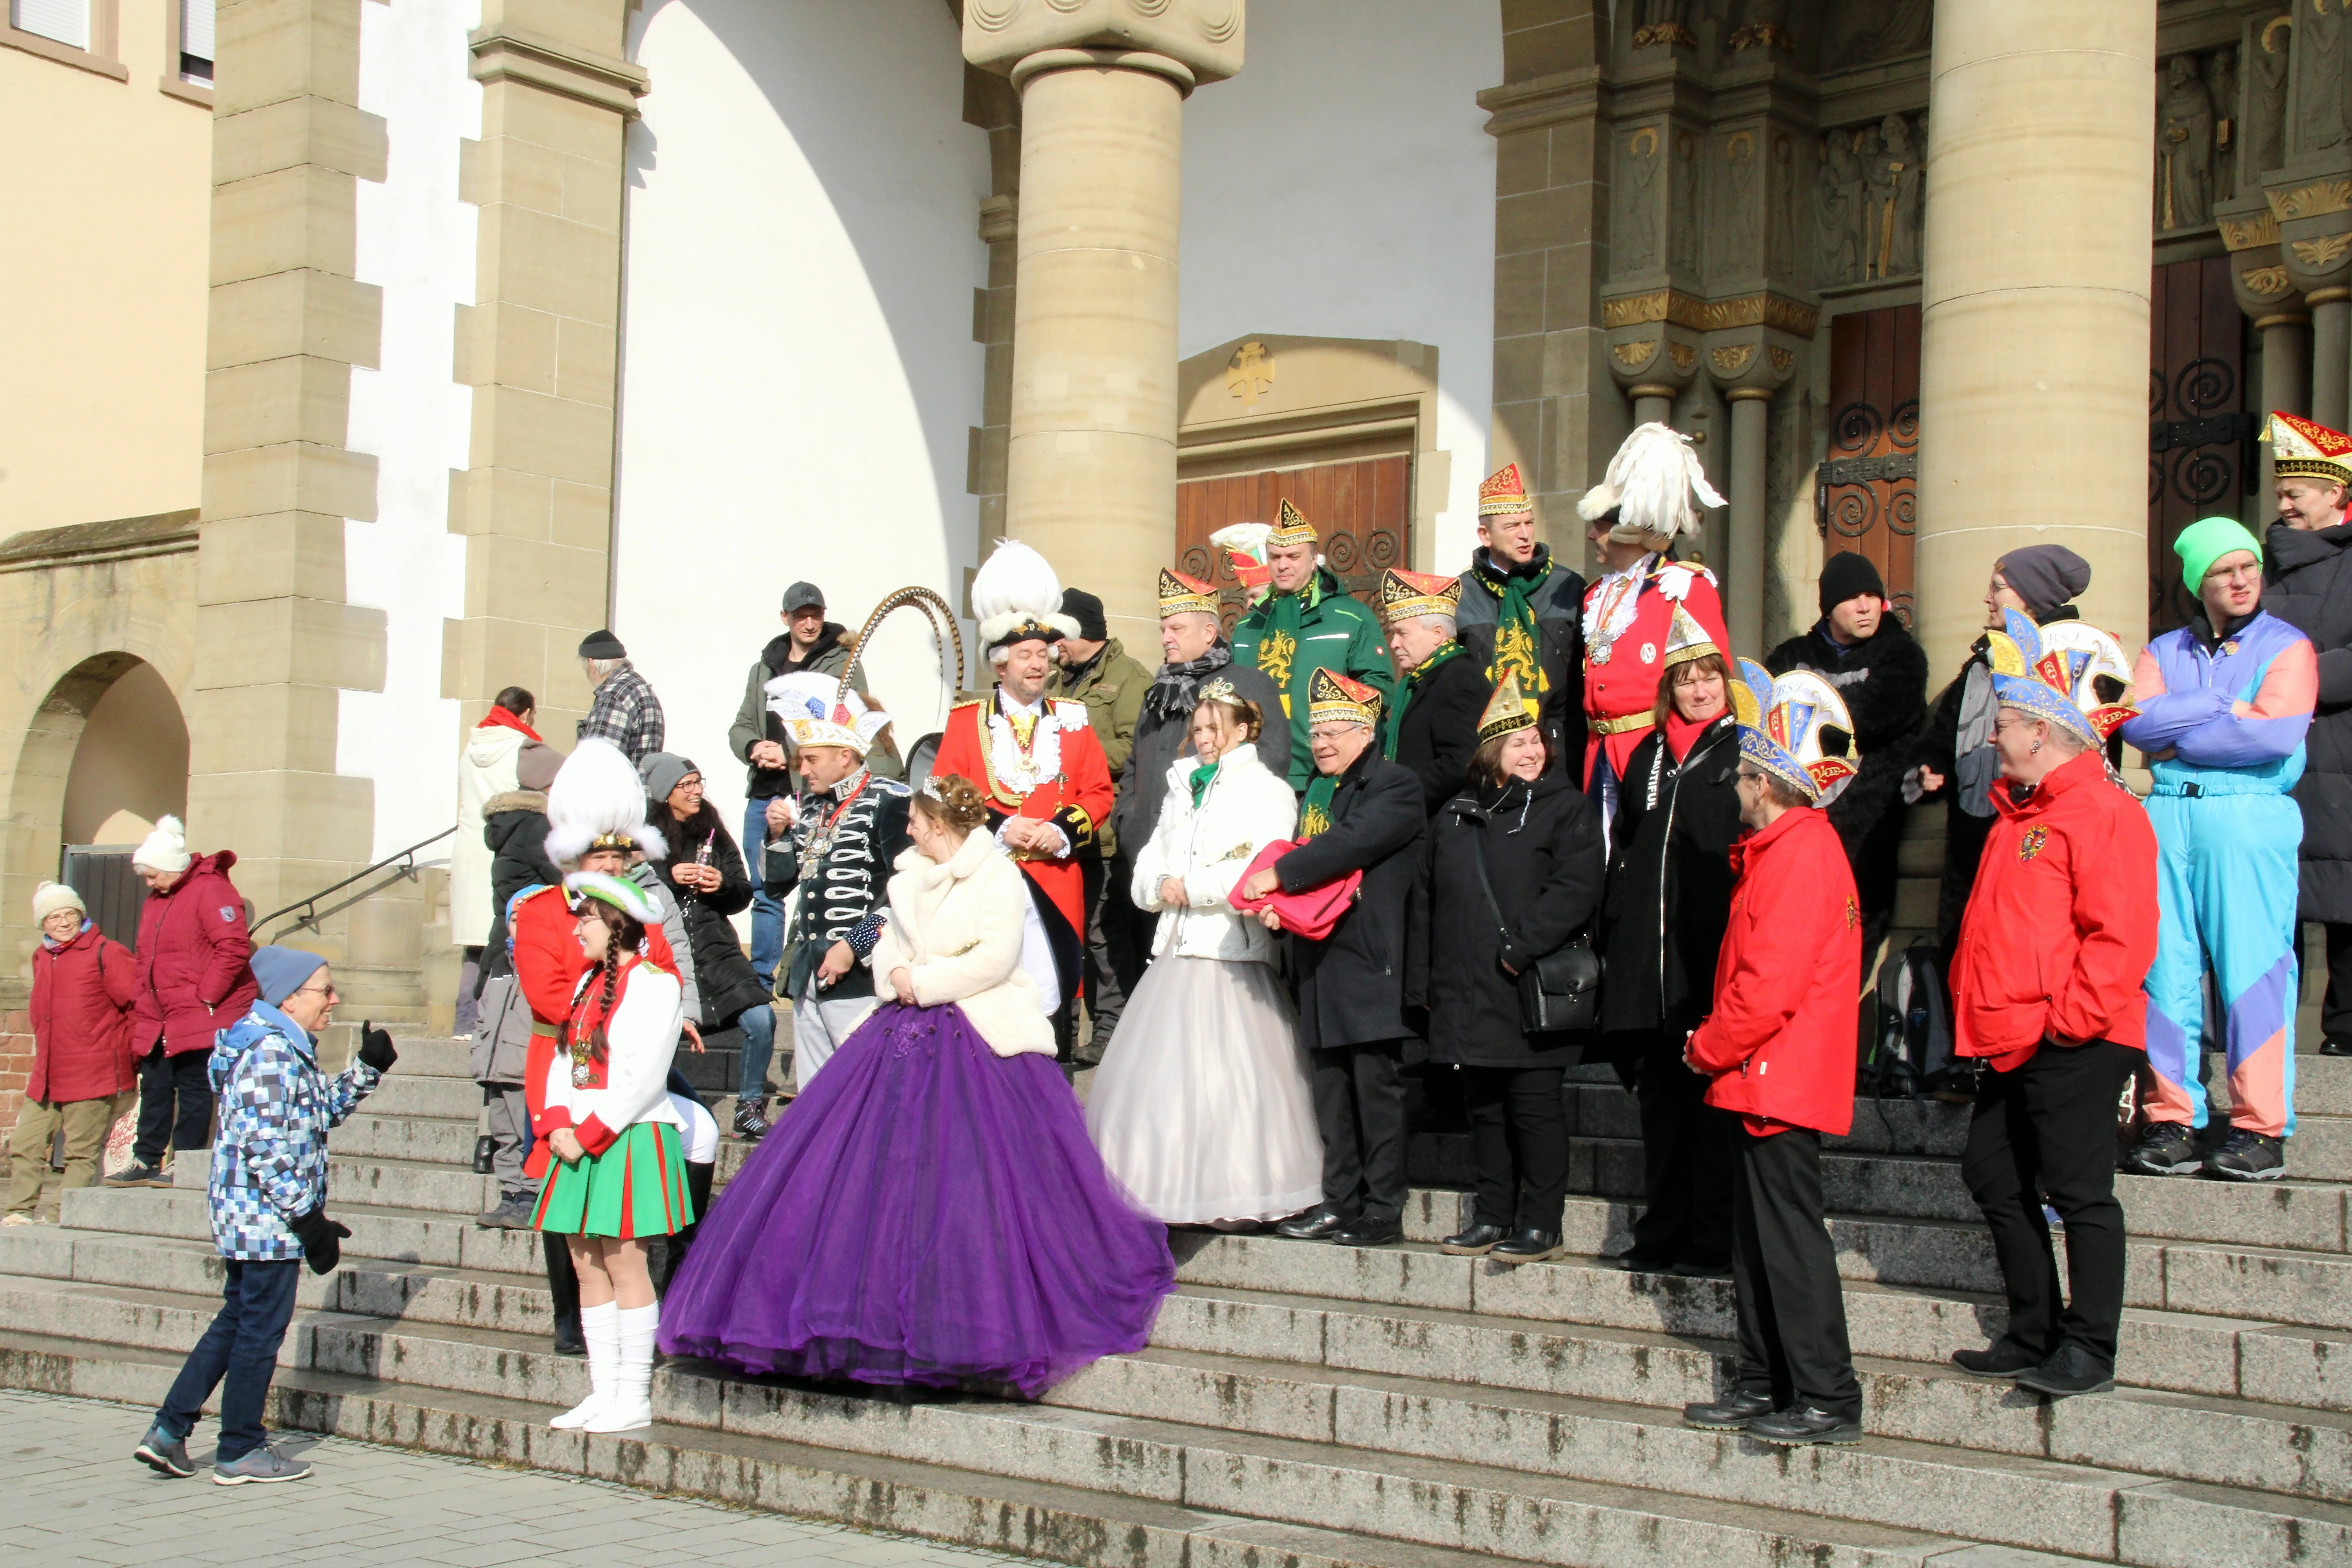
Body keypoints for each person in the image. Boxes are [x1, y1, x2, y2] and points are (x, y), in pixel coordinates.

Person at [658, 774, 1176, 1396]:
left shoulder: (993, 873)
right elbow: (885, 934)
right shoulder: (900, 873)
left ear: (938, 824)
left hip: (971, 1027)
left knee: (963, 1177)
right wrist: (890, 970)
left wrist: (920, 981)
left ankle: (961, 1319)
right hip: (889, 1018)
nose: (905, 830)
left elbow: (994, 955)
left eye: (915, 822)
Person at [1948, 610, 2157, 1399]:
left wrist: (2070, 1022)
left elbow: (2120, 935)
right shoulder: (2024, 813)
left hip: (2073, 1035)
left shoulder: (2101, 810)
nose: (1993, 734)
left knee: (2079, 1189)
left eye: (2004, 722)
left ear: (2042, 731)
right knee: (1993, 1174)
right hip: (2018, 1033)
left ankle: (2090, 1345)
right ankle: (2033, 1328)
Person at [1680, 660, 1864, 1448]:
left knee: (1787, 1241)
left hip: (1778, 1072)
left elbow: (1769, 986)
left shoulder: (1798, 854)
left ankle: (1825, 1392)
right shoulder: (1783, 850)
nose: (1736, 789)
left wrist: (1706, 1047)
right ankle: (1766, 1379)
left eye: (1742, 777)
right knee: (1757, 1241)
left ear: (1765, 784)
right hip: (1764, 1074)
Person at [132, 947, 394, 1484]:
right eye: (325, 990)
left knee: (236, 1320)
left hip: (256, 1218)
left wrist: (366, 1070)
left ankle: (169, 1430)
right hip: (265, 1222)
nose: (334, 999)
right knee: (259, 1333)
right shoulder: (271, 1052)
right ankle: (240, 1449)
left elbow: (318, 1113)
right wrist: (307, 1220)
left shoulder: (281, 1045)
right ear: (290, 998)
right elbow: (265, 1147)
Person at [2120, 516, 2318, 1181]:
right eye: (2224, 570)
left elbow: (2272, 737)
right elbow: (2139, 728)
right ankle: (2172, 1118)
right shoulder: (2163, 649)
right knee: (2164, 972)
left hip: (2247, 816)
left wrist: (2181, 728)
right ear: (2198, 581)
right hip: (2167, 818)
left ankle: (2259, 1127)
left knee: (2253, 969)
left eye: (2248, 567)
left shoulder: (2288, 647)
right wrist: (2218, 703)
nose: (2240, 580)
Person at [1088, 682, 1318, 1227]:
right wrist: (1159, 885)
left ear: (1243, 730)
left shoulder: (1266, 790)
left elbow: (1261, 864)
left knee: (1231, 1082)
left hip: (1229, 950)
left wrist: (1192, 887)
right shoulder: (1181, 786)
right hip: (1176, 946)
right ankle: (1160, 1188)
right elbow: (1152, 857)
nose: (1204, 739)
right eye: (1198, 730)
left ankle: (1234, 1191)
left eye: (1215, 729)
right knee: (1164, 1083)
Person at [1412, 673, 1605, 1264]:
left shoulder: (1566, 809)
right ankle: (1493, 1214)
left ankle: (1543, 1224)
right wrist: (1425, 980)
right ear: (1491, 752)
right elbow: (1426, 901)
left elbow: (1575, 888)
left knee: (1535, 1108)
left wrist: (1519, 949)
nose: (1531, 751)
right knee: (1485, 1110)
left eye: (1536, 740)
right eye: (1518, 742)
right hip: (1465, 990)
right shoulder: (1454, 816)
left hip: (1524, 985)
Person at [1243, 670, 1426, 1249]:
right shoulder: (1322, 792)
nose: (1319, 743)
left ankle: (1382, 1209)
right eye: (1315, 733)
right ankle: (1339, 1202)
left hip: (1371, 961)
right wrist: (1282, 909)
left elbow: (1350, 845)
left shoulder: (1396, 786)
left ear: (1365, 733)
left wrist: (1280, 876)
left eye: (1332, 732)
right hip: (1321, 960)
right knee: (1330, 1091)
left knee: (1376, 1091)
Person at [1598, 608, 1742, 1277]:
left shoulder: (1742, 750)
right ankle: (1662, 1231)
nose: (1699, 690)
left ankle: (1712, 1238)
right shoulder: (1648, 754)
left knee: (1708, 1109)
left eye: (1709, 677)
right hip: (1647, 965)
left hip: (1707, 959)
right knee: (1660, 1107)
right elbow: (1627, 842)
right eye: (1686, 680)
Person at [931, 541, 1115, 1059]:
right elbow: (942, 788)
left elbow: (1098, 792)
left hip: (1056, 882)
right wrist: (999, 826)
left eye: (1042, 655)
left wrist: (1060, 829)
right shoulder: (966, 721)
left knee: (1052, 999)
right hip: (987, 883)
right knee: (986, 1000)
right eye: (1025, 656)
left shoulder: (1074, 719)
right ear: (1000, 664)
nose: (1037, 665)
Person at [532, 872, 691, 1436]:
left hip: (626, 1134)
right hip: (578, 1136)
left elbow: (643, 1077)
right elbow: (564, 1059)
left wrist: (588, 1133)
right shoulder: (587, 983)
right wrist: (556, 1122)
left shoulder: (656, 985)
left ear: (617, 925)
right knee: (584, 1262)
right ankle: (602, 1392)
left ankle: (634, 1394)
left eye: (587, 919)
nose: (578, 929)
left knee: (626, 1263)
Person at [1102, 568, 1291, 1021]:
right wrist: (1130, 822)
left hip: (1216, 890)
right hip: (1156, 867)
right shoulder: (1158, 690)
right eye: (1163, 628)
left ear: (1209, 632)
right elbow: (1135, 765)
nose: (1166, 636)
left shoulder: (1249, 684)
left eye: (1177, 628)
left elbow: (1271, 761)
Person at [1910, 545, 2098, 959]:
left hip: (2038, 843)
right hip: (1970, 845)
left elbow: (2093, 753)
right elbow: (1945, 733)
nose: (1987, 598)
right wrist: (1930, 768)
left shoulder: (2070, 663)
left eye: (1998, 587)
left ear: (2032, 596)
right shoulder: (1981, 662)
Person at [1765, 552, 1930, 960]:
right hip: (1796, 815)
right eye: (1853, 598)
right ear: (1829, 607)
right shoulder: (1791, 658)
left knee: (1850, 935)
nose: (1865, 606)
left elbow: (1872, 717)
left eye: (1872, 596)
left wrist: (1810, 713)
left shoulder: (1901, 656)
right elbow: (1767, 715)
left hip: (1867, 828)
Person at [1573, 425, 1731, 835]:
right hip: (1599, 756)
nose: (1591, 534)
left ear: (1627, 528)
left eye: (1599, 525)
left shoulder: (1683, 587)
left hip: (1656, 755)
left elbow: (1711, 689)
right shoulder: (1594, 597)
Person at [759, 674, 911, 1094]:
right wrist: (777, 837)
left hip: (863, 974)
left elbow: (907, 889)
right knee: (816, 1096)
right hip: (809, 972)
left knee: (866, 1092)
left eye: (811, 759)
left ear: (845, 756)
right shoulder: (813, 807)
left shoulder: (891, 799)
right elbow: (778, 886)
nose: (802, 769)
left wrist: (853, 945)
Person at [728, 582, 882, 992]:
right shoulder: (764, 666)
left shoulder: (842, 662)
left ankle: (805, 969)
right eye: (801, 616)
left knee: (817, 878)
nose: (810, 623)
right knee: (766, 886)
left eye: (816, 615)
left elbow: (845, 720)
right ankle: (762, 981)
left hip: (814, 791)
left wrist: (789, 753)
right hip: (767, 791)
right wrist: (754, 747)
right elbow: (742, 724)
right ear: (786, 618)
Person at [2259, 412, 2352, 1058]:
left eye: (2295, 493)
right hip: (2271, 752)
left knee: (2346, 894)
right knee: (2273, 900)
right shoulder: (2257, 567)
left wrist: (2296, 677)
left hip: (2340, 750)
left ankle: (2345, 1032)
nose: (2284, 504)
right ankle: (2269, 1030)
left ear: (2336, 494)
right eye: (2281, 493)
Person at [108, 817, 256, 1190]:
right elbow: (145, 954)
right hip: (158, 1012)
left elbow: (233, 947)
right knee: (155, 1086)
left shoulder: (212, 890)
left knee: (194, 1088)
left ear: (172, 868)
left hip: (197, 1010)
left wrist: (206, 996)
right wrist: (142, 994)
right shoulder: (158, 900)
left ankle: (185, 1160)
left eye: (152, 875)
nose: (148, 883)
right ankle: (146, 1158)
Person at [1049, 585, 1153, 1058]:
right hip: (1059, 831)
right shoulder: (1057, 680)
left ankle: (1113, 1029)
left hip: (1104, 829)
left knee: (1104, 934)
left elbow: (1137, 748)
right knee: (1066, 931)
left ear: (1082, 632)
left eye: (1060, 634)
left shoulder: (1130, 678)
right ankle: (1066, 1030)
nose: (1053, 645)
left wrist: (1074, 752)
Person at [1229, 499, 1396, 789]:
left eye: (1293, 556)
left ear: (1313, 558)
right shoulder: (1246, 629)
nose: (1283, 565)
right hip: (1252, 779)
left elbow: (1378, 691)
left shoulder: (1351, 618)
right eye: (1275, 557)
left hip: (1328, 778)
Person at [469, 740, 566, 1229]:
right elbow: (570, 883)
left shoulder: (509, 826)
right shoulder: (538, 829)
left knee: (509, 1097)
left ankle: (519, 1187)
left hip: (504, 961)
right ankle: (522, 1189)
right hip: (523, 962)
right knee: (515, 1094)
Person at [7, 882, 136, 1225]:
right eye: (54, 917)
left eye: (70, 914)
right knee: (25, 1144)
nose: (64, 923)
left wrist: (130, 1056)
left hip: (93, 1069)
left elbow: (137, 1006)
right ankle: (18, 1212)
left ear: (81, 915)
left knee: (81, 1153)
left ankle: (61, 1218)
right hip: (48, 1073)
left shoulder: (107, 952)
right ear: (43, 923)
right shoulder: (42, 956)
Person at [1455, 463, 1587, 779]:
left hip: (1558, 748)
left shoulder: (1568, 588)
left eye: (1529, 523)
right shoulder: (1460, 595)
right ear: (1485, 535)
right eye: (1512, 526)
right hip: (1485, 751)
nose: (1525, 534)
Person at [453, 688, 548, 1038]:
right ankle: (490, 1021)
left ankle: (464, 1021)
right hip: (511, 846)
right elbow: (569, 779)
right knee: (504, 936)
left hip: (473, 846)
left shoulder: (471, 746)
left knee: (475, 943)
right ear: (525, 714)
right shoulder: (523, 747)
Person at [1377, 568, 1488, 813]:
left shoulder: (1460, 678)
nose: (1394, 644)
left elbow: (1462, 762)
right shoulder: (1424, 678)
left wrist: (1400, 794)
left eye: (1402, 633)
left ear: (1437, 634)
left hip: (1441, 819)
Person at [575, 629, 664, 763]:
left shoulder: (614, 696)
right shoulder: (638, 686)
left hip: (619, 777)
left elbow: (600, 761)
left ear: (591, 664)